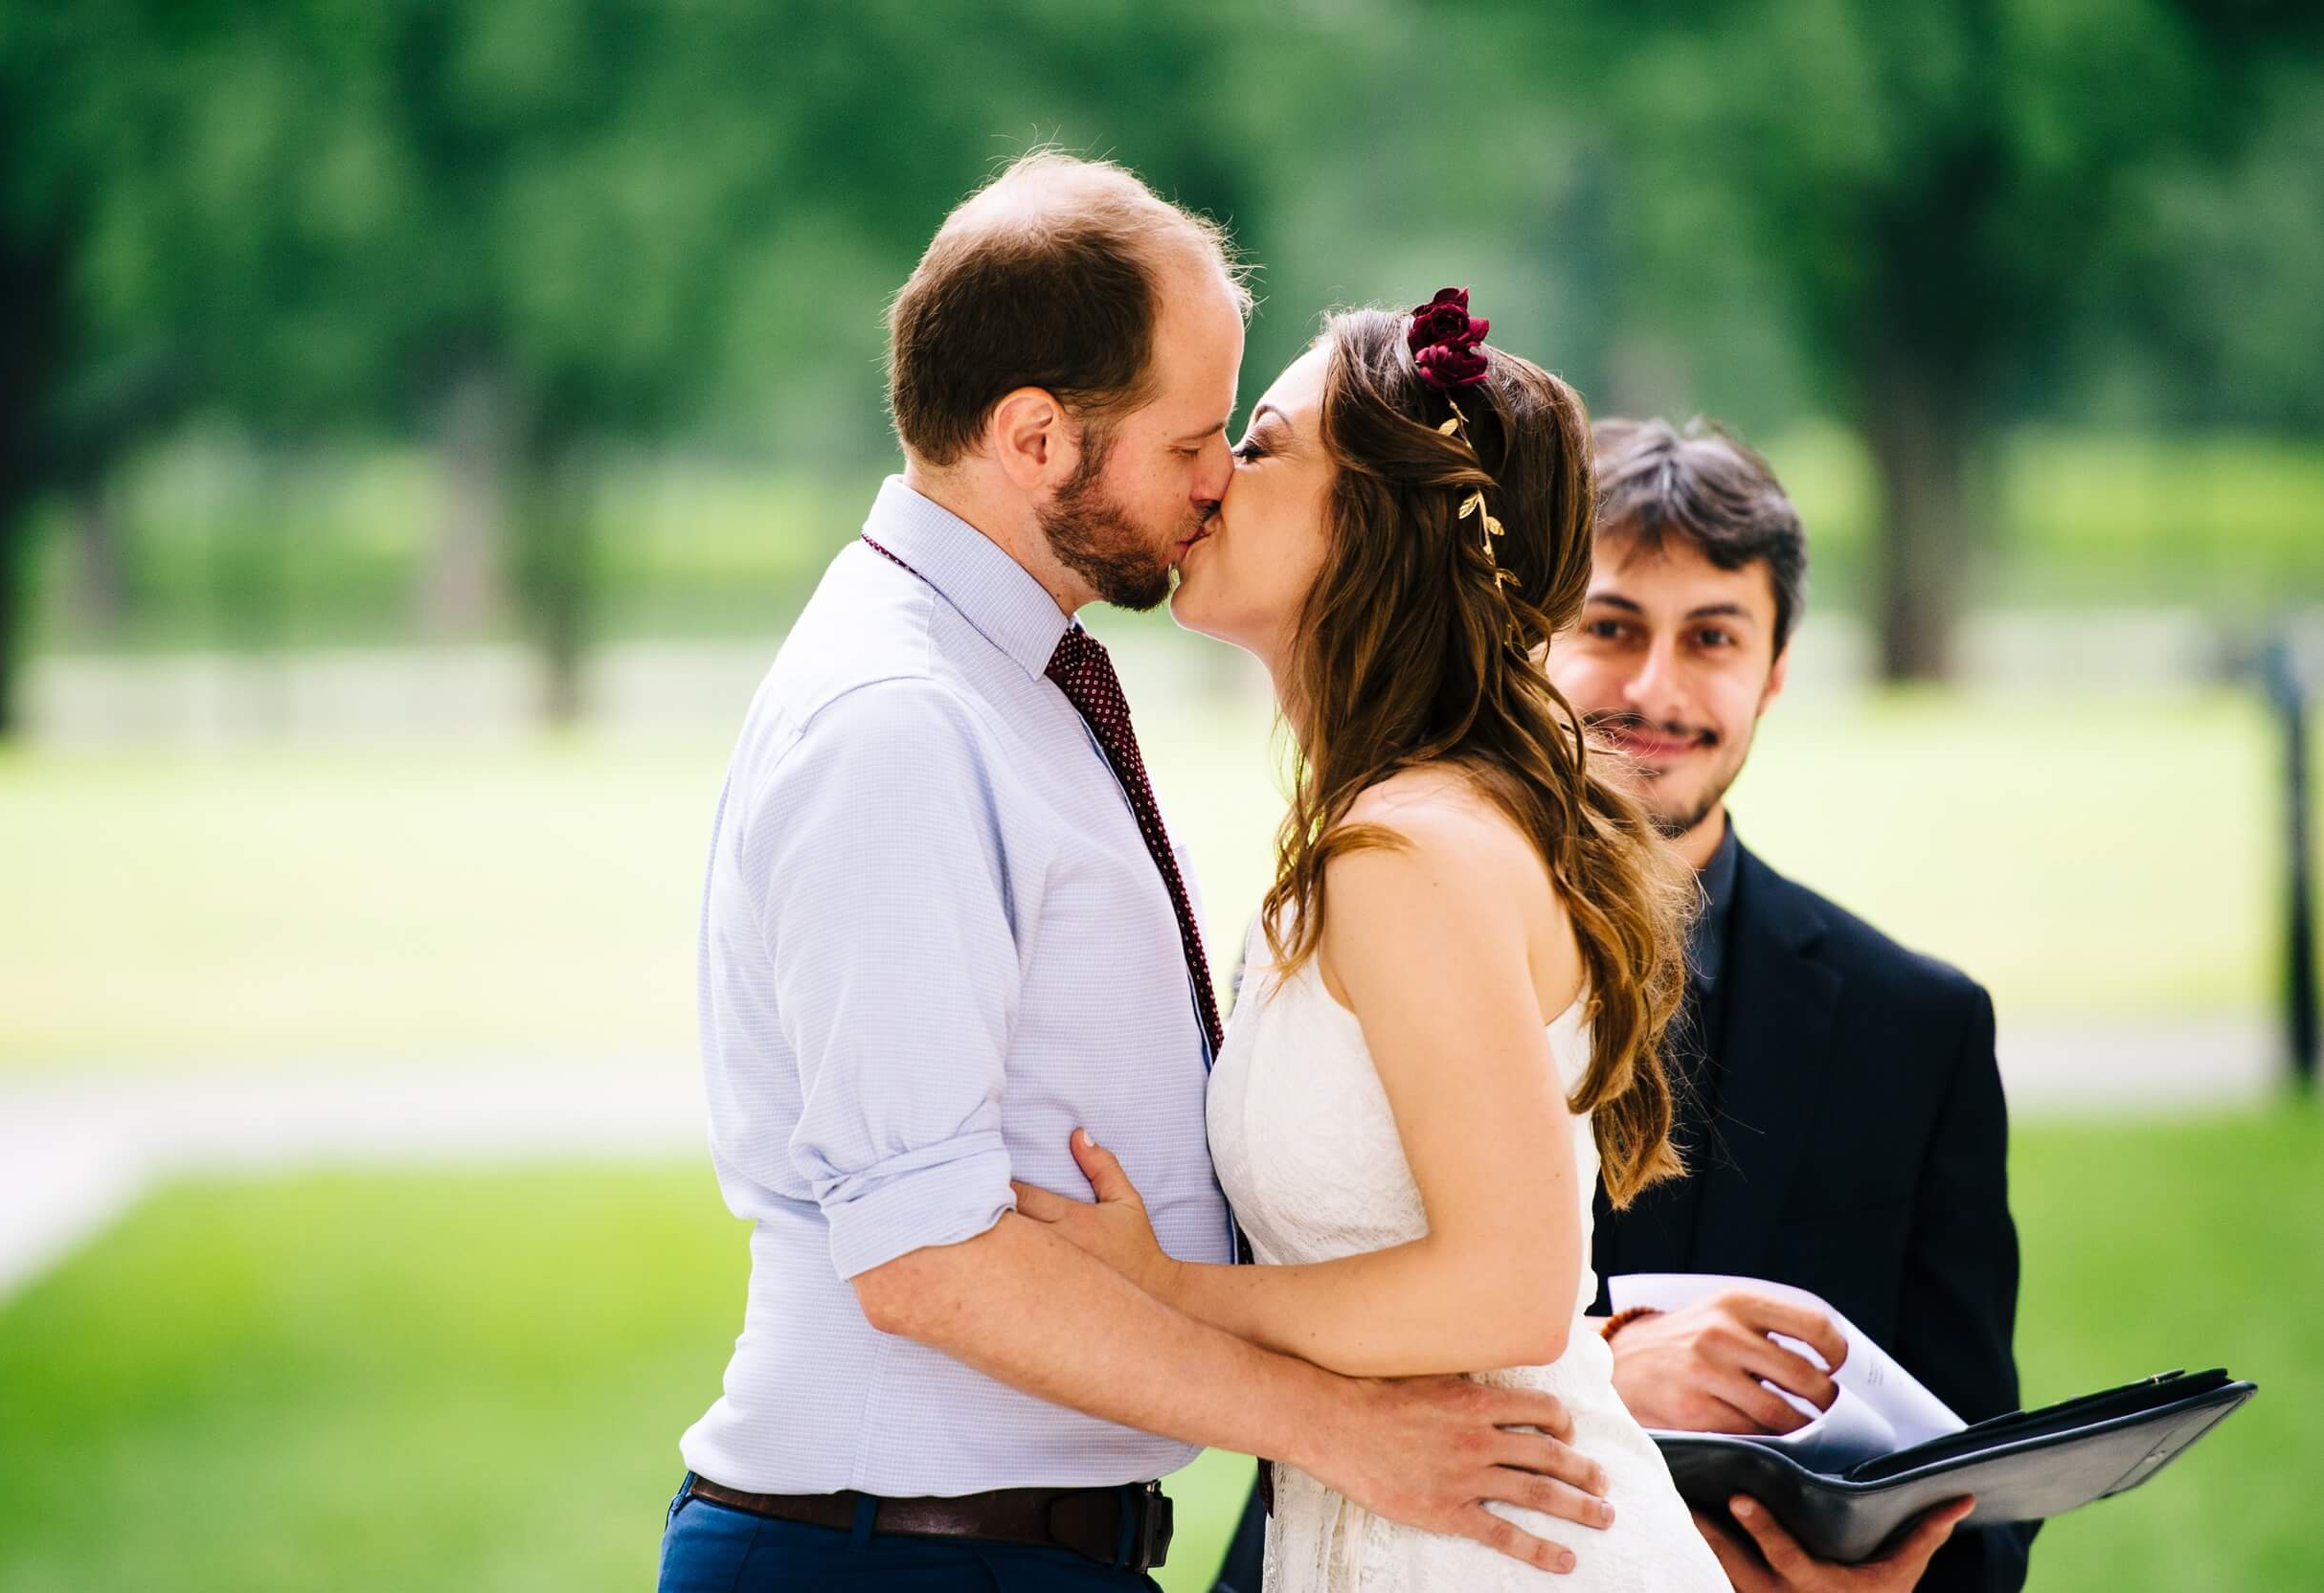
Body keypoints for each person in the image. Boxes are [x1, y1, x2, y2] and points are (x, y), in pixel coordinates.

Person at [659, 157, 1613, 1592]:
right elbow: (924, 1256)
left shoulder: (1017, 684)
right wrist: (1344, 1432)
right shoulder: (901, 724)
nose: (1216, 477)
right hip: (893, 1554)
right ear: (1036, 437)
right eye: (1193, 440)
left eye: (1244, 440)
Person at [1017, 293, 1729, 1590]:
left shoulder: (1410, 856)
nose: (1217, 474)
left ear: (1374, 525)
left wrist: (1165, 1291)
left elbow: (1513, 1289)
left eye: (1268, 442)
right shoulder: (1404, 829)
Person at [1549, 418, 2033, 1593]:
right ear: (1530, 637)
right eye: (1611, 626)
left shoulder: (1917, 1027)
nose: (1655, 687)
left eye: (1711, 636)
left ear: (1771, 669)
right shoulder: (1370, 937)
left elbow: (1979, 1484)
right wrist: (1601, 1366)